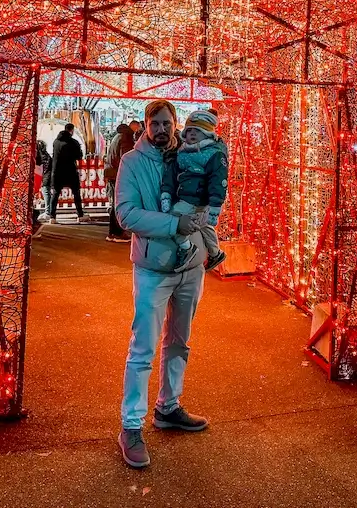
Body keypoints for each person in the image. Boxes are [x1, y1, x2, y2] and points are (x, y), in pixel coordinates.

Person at [115, 99, 209, 469]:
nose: (161, 129)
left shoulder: (191, 155)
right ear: (145, 124)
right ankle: (131, 425)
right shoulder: (132, 162)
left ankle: (168, 407)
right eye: (155, 123)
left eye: (167, 122)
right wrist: (173, 225)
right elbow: (126, 214)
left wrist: (206, 240)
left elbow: (207, 198)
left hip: (191, 267)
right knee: (143, 349)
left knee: (179, 343)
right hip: (153, 268)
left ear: (175, 123)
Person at [160, 109, 227, 273]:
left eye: (197, 131)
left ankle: (186, 247)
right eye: (189, 130)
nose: (192, 134)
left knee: (173, 221)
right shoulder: (182, 152)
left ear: (207, 133)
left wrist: (215, 206)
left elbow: (218, 181)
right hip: (191, 197)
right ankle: (216, 253)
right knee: (204, 225)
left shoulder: (214, 154)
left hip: (193, 199)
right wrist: (166, 193)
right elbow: (172, 175)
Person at [49, 123, 90, 224]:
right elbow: (79, 156)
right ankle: (80, 215)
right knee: (76, 193)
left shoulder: (56, 142)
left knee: (55, 194)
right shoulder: (73, 142)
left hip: (57, 171)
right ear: (72, 130)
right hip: (70, 171)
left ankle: (52, 216)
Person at [104, 121, 138, 242]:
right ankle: (117, 232)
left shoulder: (118, 136)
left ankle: (113, 232)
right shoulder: (126, 138)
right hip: (118, 173)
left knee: (115, 202)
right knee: (118, 203)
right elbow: (126, 157)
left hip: (112, 172)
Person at [36, 140, 53, 221]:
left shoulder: (42, 155)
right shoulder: (46, 155)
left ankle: (48, 212)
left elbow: (39, 163)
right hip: (47, 176)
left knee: (46, 192)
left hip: (46, 176)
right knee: (46, 193)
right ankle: (48, 211)